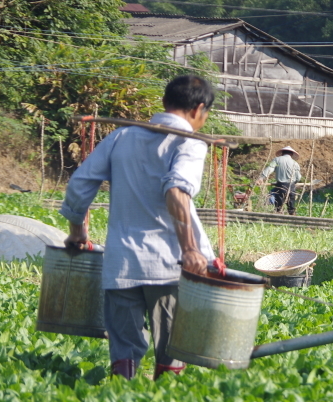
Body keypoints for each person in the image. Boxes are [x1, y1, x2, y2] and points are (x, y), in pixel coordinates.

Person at [60, 74, 216, 380]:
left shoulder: (122, 136)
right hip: (169, 264)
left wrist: (77, 230)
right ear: (199, 109)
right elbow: (176, 191)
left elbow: (80, 183)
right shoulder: (190, 142)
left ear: (164, 102)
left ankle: (121, 400)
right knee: (173, 348)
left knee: (124, 353)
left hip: (122, 262)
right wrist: (190, 249)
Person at [260, 145, 302, 215]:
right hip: (291, 186)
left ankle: (278, 216)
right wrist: (295, 182)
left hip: (280, 186)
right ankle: (293, 217)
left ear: (282, 153)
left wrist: (261, 177)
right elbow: (298, 177)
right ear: (291, 154)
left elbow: (270, 168)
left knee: (278, 206)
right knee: (291, 206)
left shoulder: (276, 160)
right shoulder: (295, 163)